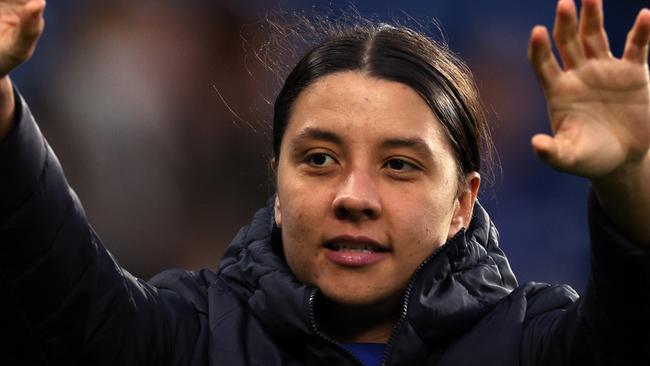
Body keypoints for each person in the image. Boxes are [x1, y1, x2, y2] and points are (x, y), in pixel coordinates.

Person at [1, 0, 649, 365]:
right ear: (277, 187)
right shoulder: (190, 336)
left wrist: (627, 179)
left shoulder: (535, 346)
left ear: (463, 203)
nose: (353, 196)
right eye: (318, 160)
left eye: (399, 164)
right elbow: (60, 291)